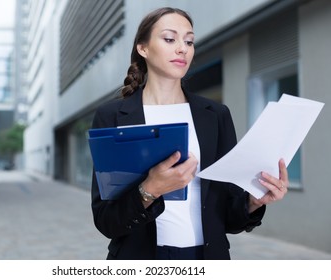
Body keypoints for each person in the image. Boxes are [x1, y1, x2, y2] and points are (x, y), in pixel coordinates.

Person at [90, 7, 289, 260]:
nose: (183, 48)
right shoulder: (113, 117)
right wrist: (151, 188)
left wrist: (255, 200)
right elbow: (107, 221)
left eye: (189, 41)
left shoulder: (215, 115)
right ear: (143, 48)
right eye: (170, 39)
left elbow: (229, 217)